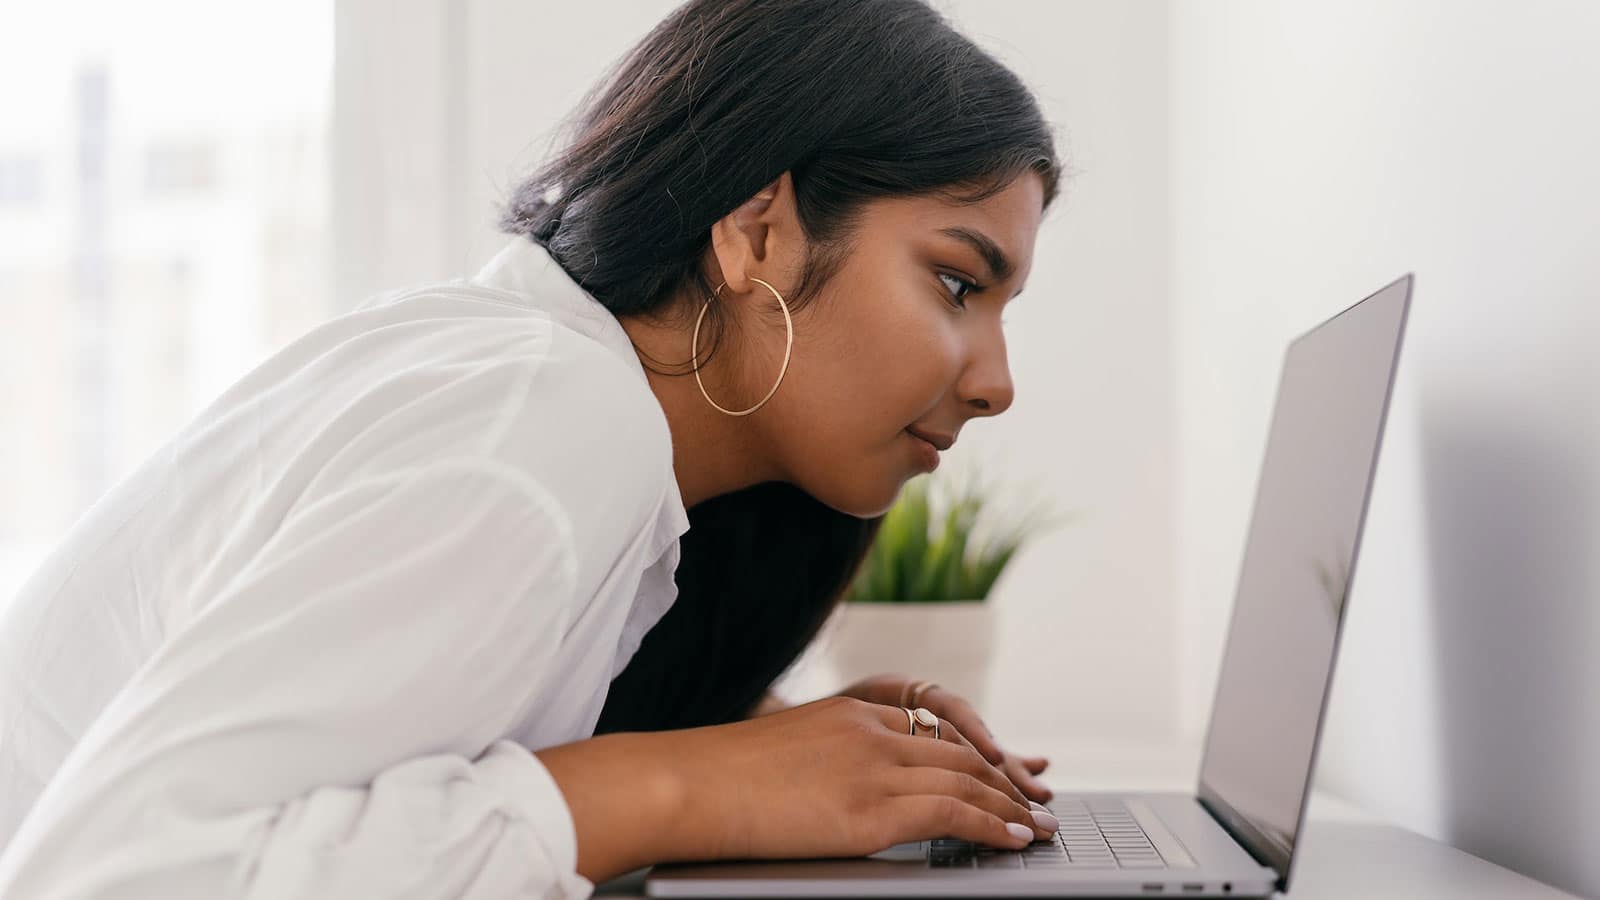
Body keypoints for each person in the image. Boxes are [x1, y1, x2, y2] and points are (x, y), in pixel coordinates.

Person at [0, 0, 1065, 896]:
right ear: (756, 231)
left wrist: (784, 751)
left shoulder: (559, 403)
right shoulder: (546, 423)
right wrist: (686, 787)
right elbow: (117, 874)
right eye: (958, 283)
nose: (996, 382)